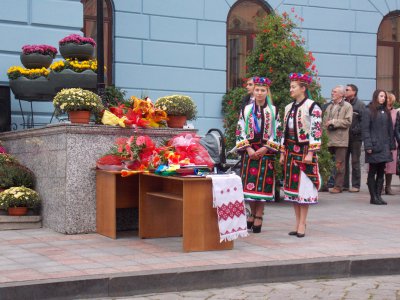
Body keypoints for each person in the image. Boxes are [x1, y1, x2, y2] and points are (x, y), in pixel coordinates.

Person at [236, 76, 282, 234]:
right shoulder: (246, 110)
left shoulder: (273, 111)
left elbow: (277, 133)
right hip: (250, 152)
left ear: (267, 92)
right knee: (249, 186)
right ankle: (252, 212)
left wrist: (265, 148)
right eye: (257, 90)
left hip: (265, 153)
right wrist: (248, 149)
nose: (260, 93)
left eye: (263, 90)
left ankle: (259, 215)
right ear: (253, 91)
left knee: (262, 186)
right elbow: (240, 130)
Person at [279, 73, 322, 238]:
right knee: (292, 189)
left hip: (304, 152)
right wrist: (283, 152)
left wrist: (311, 152)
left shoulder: (313, 107)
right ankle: (297, 223)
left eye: (293, 87)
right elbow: (284, 131)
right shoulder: (288, 107)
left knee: (303, 188)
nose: (291, 89)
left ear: (303, 88)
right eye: (290, 87)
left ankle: (303, 222)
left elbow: (316, 131)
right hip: (290, 152)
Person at [362, 90, 396, 205]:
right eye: (381, 96)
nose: (383, 98)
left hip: (384, 146)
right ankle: (373, 197)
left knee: (382, 171)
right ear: (376, 96)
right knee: (373, 171)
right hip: (374, 146)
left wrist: (391, 144)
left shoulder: (386, 111)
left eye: (384, 97)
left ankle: (378, 196)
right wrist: (368, 145)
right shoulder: (368, 110)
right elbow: (365, 130)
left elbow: (390, 130)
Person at [323, 85, 353, 193]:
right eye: (332, 91)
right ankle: (325, 185)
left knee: (339, 163)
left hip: (340, 140)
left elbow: (348, 122)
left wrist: (334, 122)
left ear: (341, 94)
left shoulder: (347, 106)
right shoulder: (329, 106)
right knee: (326, 162)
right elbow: (324, 122)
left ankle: (338, 186)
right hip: (328, 139)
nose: (332, 93)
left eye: (335, 91)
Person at [344, 84, 365, 192]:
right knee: (344, 161)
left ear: (354, 92)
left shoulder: (360, 105)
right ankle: (345, 184)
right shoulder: (343, 103)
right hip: (344, 137)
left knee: (355, 161)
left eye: (347, 90)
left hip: (356, 138)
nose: (345, 91)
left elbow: (363, 121)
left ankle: (356, 185)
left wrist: (354, 130)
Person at [383, 92, 398, 195]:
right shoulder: (379, 110)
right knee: (380, 164)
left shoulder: (396, 112)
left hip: (392, 141)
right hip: (380, 141)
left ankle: (388, 187)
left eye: (387, 98)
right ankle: (379, 186)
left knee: (390, 166)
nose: (385, 99)